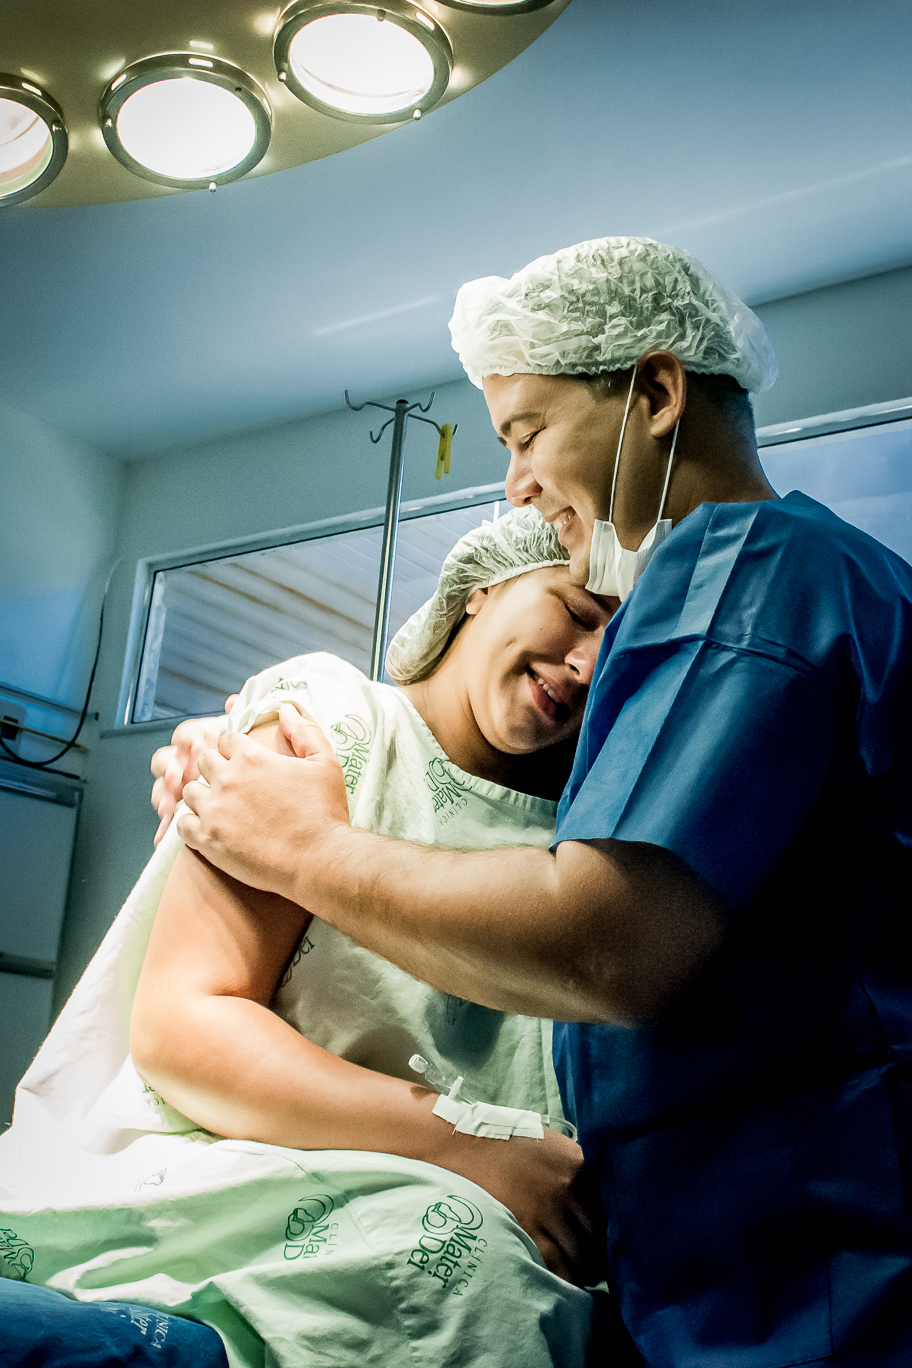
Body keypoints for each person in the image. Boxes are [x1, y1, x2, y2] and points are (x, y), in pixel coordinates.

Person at [173, 236, 912, 1368]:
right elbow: (182, 1018)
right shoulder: (335, 715)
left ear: (657, 393)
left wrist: (304, 848)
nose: (513, 480)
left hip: (817, 1252)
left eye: (524, 433)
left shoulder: (747, 572)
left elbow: (604, 943)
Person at [0, 509, 615, 1368]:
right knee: (473, 1273)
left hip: (462, 1204)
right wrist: (478, 1147)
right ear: (485, 589)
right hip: (230, 1169)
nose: (589, 664)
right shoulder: (330, 721)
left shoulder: (586, 849)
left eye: (621, 648)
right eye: (580, 611)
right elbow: (186, 1029)